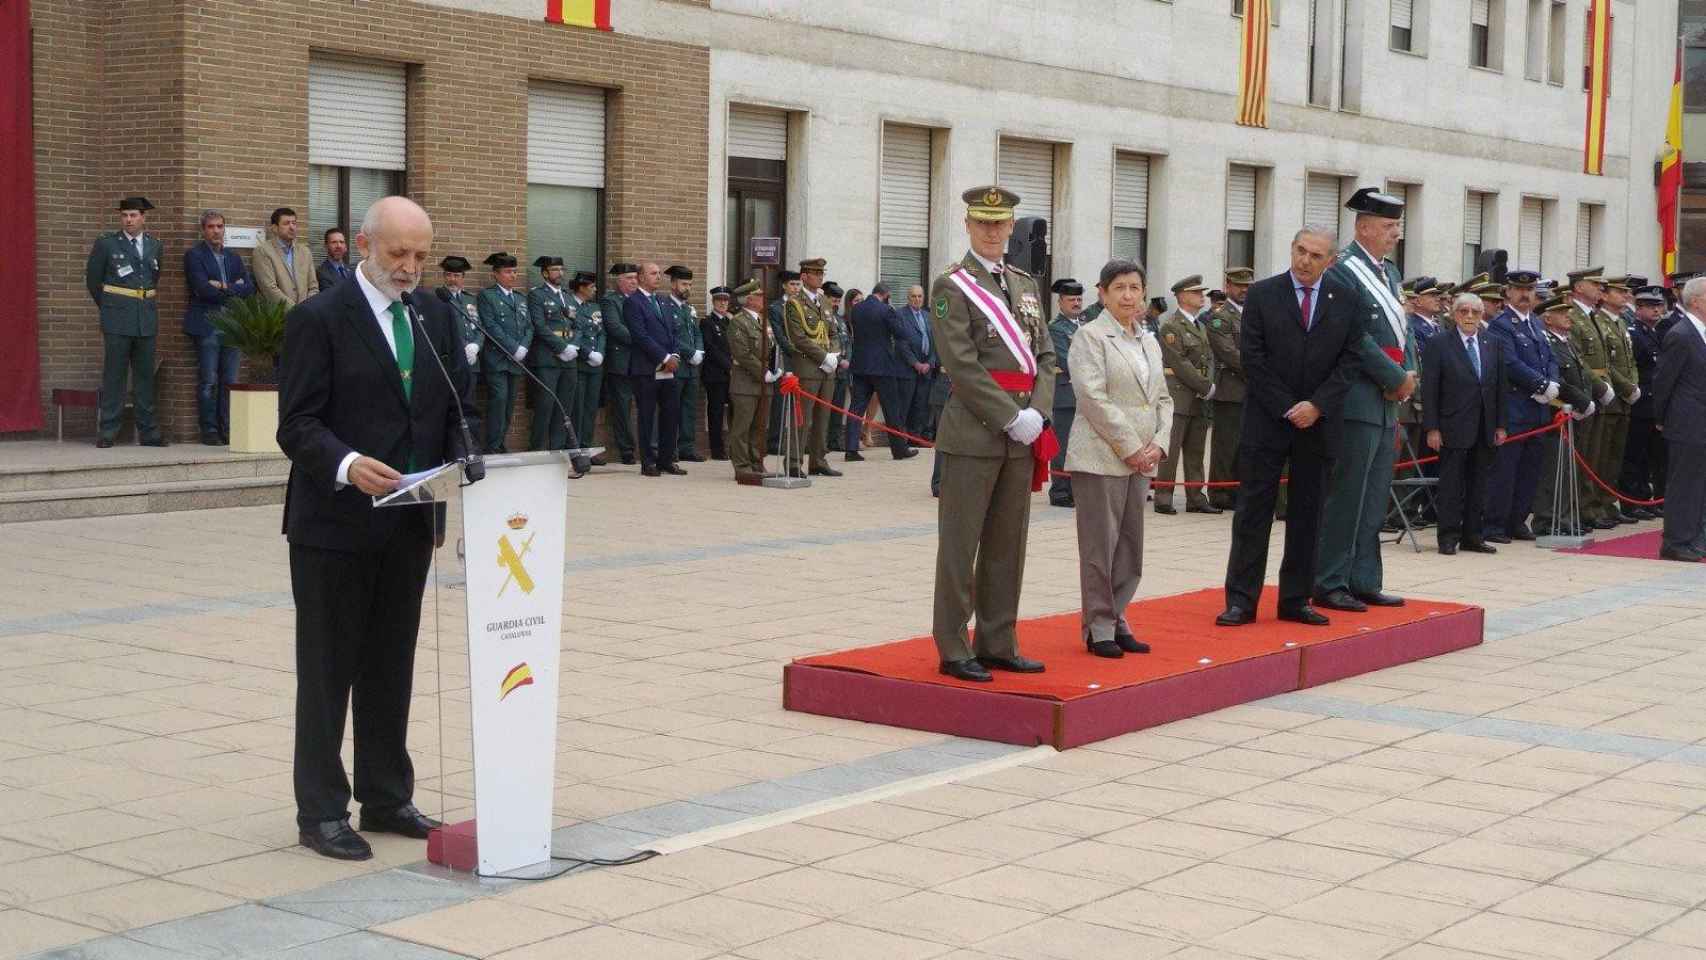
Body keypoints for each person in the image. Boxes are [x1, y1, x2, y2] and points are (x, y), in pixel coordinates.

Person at [277, 196, 478, 861]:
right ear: (364, 245)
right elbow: (297, 424)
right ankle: (322, 810)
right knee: (330, 668)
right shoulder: (319, 318)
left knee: (391, 664)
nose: (410, 267)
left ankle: (386, 795)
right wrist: (347, 462)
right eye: (398, 254)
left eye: (420, 255)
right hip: (333, 527)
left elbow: (455, 407)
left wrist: (462, 461)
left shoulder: (435, 317)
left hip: (409, 523)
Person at [930, 185, 1057, 682]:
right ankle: (954, 645)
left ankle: (998, 640)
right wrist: (1009, 416)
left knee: (1008, 544)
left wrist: (1039, 415)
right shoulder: (952, 285)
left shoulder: (1025, 285)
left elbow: (1046, 356)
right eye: (981, 222)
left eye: (999, 222)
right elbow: (960, 364)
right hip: (975, 432)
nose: (990, 230)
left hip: (1023, 434)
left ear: (1010, 227)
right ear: (967, 225)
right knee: (961, 546)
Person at [1217, 227, 1364, 627]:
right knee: (1253, 512)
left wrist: (1317, 405)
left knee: (1307, 514)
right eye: (1300, 251)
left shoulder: (1346, 299)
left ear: (1330, 262)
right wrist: (1289, 406)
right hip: (1268, 420)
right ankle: (1241, 600)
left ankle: (1296, 599)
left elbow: (1350, 361)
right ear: (1291, 248)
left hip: (1318, 424)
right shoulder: (1263, 294)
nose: (1305, 260)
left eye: (1316, 256)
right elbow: (1253, 358)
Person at [1314, 188, 1416, 613]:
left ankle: (1364, 578)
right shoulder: (1343, 272)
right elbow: (1353, 337)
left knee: (1374, 495)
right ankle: (1331, 580)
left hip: (1388, 401)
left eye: (1396, 225)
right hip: (1357, 397)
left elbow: (1402, 330)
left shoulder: (1390, 273)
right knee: (1348, 494)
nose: (1396, 233)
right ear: (1364, 227)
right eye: (1390, 226)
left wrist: (1409, 374)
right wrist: (1393, 376)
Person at [1066, 259, 1171, 658]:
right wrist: (1130, 447)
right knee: (1100, 545)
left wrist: (1159, 444)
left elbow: (1163, 397)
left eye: (1134, 287)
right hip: (1101, 456)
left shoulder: (1148, 340)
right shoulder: (1090, 337)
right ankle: (1098, 626)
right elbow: (1092, 398)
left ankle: (1118, 615)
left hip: (1143, 458)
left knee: (1130, 545)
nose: (1128, 295)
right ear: (1103, 294)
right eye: (1119, 288)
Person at [1423, 294, 1508, 554]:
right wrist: (1432, 427)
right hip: (1452, 426)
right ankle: (1448, 537)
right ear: (1454, 314)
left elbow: (1499, 387)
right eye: (1464, 311)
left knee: (1478, 483)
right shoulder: (1439, 343)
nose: (1470, 316)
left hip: (1484, 426)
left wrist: (1501, 425)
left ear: (1482, 315)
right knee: (1451, 486)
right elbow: (1429, 388)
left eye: (1475, 312)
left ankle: (1473, 536)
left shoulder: (1493, 342)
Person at [1480, 270, 1557, 543]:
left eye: (1530, 290)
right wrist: (1539, 385)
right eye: (1519, 289)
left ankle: (1517, 520)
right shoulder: (1502, 324)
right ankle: (1494, 524)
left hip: (1537, 409)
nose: (1525, 295)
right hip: (1514, 408)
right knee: (1505, 470)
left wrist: (1552, 384)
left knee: (1530, 470)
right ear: (1508, 292)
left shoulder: (1536, 323)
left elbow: (1550, 358)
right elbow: (1511, 363)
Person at [88, 196, 167, 448]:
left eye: (133, 215)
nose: (129, 220)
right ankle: (109, 430)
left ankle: (149, 431)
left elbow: (154, 278)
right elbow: (93, 281)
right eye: (125, 215)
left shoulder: (155, 245)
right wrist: (111, 308)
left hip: (145, 318)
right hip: (117, 319)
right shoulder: (107, 244)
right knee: (115, 375)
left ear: (144, 218)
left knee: (145, 377)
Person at [182, 209, 253, 446]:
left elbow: (249, 288)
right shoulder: (194, 255)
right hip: (208, 325)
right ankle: (209, 430)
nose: (216, 231)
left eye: (220, 226)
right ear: (203, 230)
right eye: (211, 227)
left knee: (230, 381)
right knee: (209, 380)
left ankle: (228, 428)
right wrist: (233, 288)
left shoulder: (233, 258)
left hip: (232, 326)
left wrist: (222, 285)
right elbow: (202, 289)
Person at [1532, 294, 1599, 536]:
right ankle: (1549, 519)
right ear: (1547, 318)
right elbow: (1557, 380)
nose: (1568, 316)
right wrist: (1580, 402)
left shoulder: (1566, 341)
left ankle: (1566, 517)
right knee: (1553, 470)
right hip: (1558, 411)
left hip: (1575, 412)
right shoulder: (1547, 341)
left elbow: (1581, 375)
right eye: (1562, 312)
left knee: (1570, 469)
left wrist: (1587, 401)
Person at [1654, 277, 1706, 561]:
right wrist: (1661, 418)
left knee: (1699, 485)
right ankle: (1675, 542)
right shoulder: (1681, 334)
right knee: (1684, 484)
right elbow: (1664, 381)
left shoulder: (1700, 333)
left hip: (1700, 423)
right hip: (1686, 422)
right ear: (1696, 301)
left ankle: (1695, 537)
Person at [1156, 275, 1217, 514]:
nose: (1201, 296)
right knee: (1170, 450)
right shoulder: (1171, 326)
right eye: (1196, 292)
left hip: (1199, 396)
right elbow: (1179, 362)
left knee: (1196, 450)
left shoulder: (1200, 325)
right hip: (1180, 396)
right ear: (1182, 296)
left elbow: (1209, 358)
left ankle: (1196, 497)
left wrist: (1208, 384)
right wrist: (1205, 385)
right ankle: (1163, 496)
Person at [1566, 268, 1618, 529]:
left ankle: (1593, 506)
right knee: (1583, 455)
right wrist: (1598, 387)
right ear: (1578, 287)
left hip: (1600, 391)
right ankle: (1581, 509)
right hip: (1585, 391)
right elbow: (1578, 359)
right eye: (1594, 284)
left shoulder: (1593, 317)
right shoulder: (1573, 316)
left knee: (1597, 456)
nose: (1601, 288)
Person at [844, 282, 919, 461]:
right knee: (892, 408)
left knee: (856, 407)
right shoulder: (886, 310)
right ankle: (899, 449)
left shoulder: (857, 309)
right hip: (883, 366)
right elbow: (901, 333)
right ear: (886, 295)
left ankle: (851, 450)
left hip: (861, 364)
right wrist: (893, 314)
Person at [783, 258, 843, 477]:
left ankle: (818, 460)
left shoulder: (824, 302)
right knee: (802, 418)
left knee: (823, 417)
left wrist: (834, 355)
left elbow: (833, 332)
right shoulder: (794, 303)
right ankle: (793, 462)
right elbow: (798, 337)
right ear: (804, 276)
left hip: (827, 369)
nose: (820, 277)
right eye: (815, 274)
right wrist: (824, 357)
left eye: (821, 274)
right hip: (808, 366)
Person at [626, 261, 685, 477]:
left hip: (668, 369)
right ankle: (648, 462)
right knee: (647, 416)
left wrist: (676, 354)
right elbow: (640, 335)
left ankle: (666, 459)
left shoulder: (663, 301)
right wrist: (664, 356)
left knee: (671, 414)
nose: (658, 277)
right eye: (653, 273)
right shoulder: (633, 302)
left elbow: (674, 332)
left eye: (659, 273)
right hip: (647, 368)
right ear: (641, 277)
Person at [1205, 267, 1253, 511]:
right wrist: (1258, 369)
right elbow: (1228, 353)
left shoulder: (1253, 314)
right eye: (1239, 286)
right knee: (1226, 445)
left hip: (1251, 391)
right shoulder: (1220, 317)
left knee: (1245, 445)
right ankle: (1220, 491)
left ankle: (1236, 489)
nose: (1244, 290)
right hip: (1231, 390)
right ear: (1228, 286)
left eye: (1248, 286)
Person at [1598, 276, 1642, 524]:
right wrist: (1626, 387)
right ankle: (1594, 506)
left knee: (1615, 457)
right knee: (1601, 457)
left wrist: (1633, 383)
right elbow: (1606, 364)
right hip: (1612, 396)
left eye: (1626, 291)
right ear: (1604, 295)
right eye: (1619, 291)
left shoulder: (1621, 324)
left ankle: (1607, 504)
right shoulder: (1601, 322)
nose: (1626, 295)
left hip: (1624, 398)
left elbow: (1630, 360)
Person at [1620, 287, 1668, 512]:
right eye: (1651, 306)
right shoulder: (1634, 332)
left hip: (1653, 403)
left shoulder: (1652, 332)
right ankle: (1631, 501)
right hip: (1640, 402)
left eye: (1659, 305)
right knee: (1634, 456)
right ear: (1638, 308)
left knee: (1651, 456)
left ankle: (1645, 499)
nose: (1657, 310)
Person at [476, 252, 529, 452]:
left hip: (517, 361)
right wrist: (513, 347)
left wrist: (523, 346)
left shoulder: (520, 298)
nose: (513, 275)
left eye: (515, 271)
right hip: (497, 359)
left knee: (509, 404)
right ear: (496, 275)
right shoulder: (487, 296)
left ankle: (500, 442)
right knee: (498, 401)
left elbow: (529, 326)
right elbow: (490, 326)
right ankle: (492, 446)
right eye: (508, 272)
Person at [726, 279, 778, 484]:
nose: (764, 298)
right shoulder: (738, 322)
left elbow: (773, 348)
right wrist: (763, 371)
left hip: (764, 382)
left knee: (759, 426)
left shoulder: (763, 321)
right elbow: (743, 353)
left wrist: (775, 369)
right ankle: (742, 466)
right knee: (742, 427)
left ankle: (757, 462)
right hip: (746, 383)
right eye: (760, 295)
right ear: (749, 299)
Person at [525, 256, 578, 452]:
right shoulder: (537, 295)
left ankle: (558, 450)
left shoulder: (569, 296)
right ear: (545, 273)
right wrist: (562, 347)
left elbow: (578, 326)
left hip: (569, 361)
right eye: (555, 269)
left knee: (565, 409)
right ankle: (537, 450)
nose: (560, 273)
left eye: (561, 269)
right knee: (545, 407)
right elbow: (539, 325)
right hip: (547, 359)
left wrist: (575, 347)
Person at [1048, 278, 1088, 508]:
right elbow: (1066, 359)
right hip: (1065, 395)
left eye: (1079, 299)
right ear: (1060, 302)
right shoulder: (1056, 328)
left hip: (1083, 394)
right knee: (1063, 445)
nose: (1076, 303)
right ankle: (1060, 491)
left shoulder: (1084, 326)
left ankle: (1074, 488)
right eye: (1071, 299)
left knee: (1080, 445)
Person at [662, 265, 706, 462]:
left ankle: (686, 447)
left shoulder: (689, 309)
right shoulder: (664, 306)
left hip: (692, 368)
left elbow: (697, 332)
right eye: (683, 284)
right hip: (677, 365)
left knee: (689, 409)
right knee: (672, 409)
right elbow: (669, 336)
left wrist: (699, 351)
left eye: (689, 284)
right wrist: (690, 353)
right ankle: (670, 449)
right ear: (673, 284)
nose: (687, 288)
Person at [600, 263, 639, 464]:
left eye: (635, 277)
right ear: (619, 280)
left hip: (642, 361)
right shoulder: (610, 301)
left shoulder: (640, 300)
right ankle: (626, 450)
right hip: (621, 361)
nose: (634, 281)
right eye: (629, 278)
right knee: (622, 407)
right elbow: (615, 328)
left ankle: (648, 447)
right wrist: (643, 339)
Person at [570, 271, 607, 462]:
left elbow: (601, 332)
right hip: (578, 362)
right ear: (582, 287)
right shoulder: (570, 305)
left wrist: (599, 352)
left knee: (590, 407)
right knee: (577, 407)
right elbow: (571, 333)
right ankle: (575, 449)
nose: (595, 290)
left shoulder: (594, 307)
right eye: (592, 287)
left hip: (595, 365)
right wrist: (587, 353)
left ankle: (586, 446)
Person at [253, 207, 319, 307]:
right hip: (277, 316)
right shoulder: (263, 251)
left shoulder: (305, 252)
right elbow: (269, 288)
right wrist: (295, 311)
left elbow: (313, 287)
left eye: (294, 223)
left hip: (305, 315)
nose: (292, 227)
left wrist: (306, 309)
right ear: (274, 228)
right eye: (286, 223)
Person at [896, 285, 937, 442]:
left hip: (926, 368)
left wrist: (930, 362)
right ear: (908, 298)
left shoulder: (928, 316)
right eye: (913, 296)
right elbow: (901, 343)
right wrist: (915, 363)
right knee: (904, 405)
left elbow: (935, 342)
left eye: (920, 296)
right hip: (907, 368)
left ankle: (916, 437)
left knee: (921, 405)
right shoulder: (900, 315)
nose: (917, 299)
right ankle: (900, 440)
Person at [767, 270, 801, 454]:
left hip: (804, 359)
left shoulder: (803, 305)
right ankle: (775, 442)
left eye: (798, 284)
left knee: (799, 403)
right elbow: (779, 335)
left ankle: (796, 442)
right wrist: (796, 351)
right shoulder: (776, 307)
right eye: (792, 285)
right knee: (780, 403)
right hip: (785, 358)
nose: (796, 288)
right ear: (784, 286)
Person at [432, 256, 481, 375]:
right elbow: (438, 329)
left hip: (472, 361)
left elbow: (479, 326)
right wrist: (464, 347)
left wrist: (476, 346)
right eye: (448, 275)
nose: (452, 279)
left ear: (463, 277)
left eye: (456, 276)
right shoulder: (436, 298)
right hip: (450, 361)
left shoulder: (470, 299)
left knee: (471, 393)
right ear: (444, 276)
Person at [701, 286, 734, 460]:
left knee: (735, 412)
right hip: (716, 375)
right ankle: (717, 449)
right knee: (716, 412)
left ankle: (735, 447)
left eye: (725, 300)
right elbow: (711, 349)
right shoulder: (707, 322)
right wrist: (729, 366)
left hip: (733, 375)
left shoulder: (731, 322)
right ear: (713, 302)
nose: (723, 303)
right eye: (719, 300)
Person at [825, 282, 852, 452]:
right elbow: (826, 343)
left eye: (837, 301)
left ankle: (834, 441)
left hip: (842, 371)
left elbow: (847, 342)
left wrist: (847, 358)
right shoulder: (823, 318)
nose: (835, 304)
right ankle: (821, 442)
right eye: (833, 300)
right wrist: (840, 359)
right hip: (829, 370)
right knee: (825, 409)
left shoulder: (841, 320)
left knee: (837, 408)